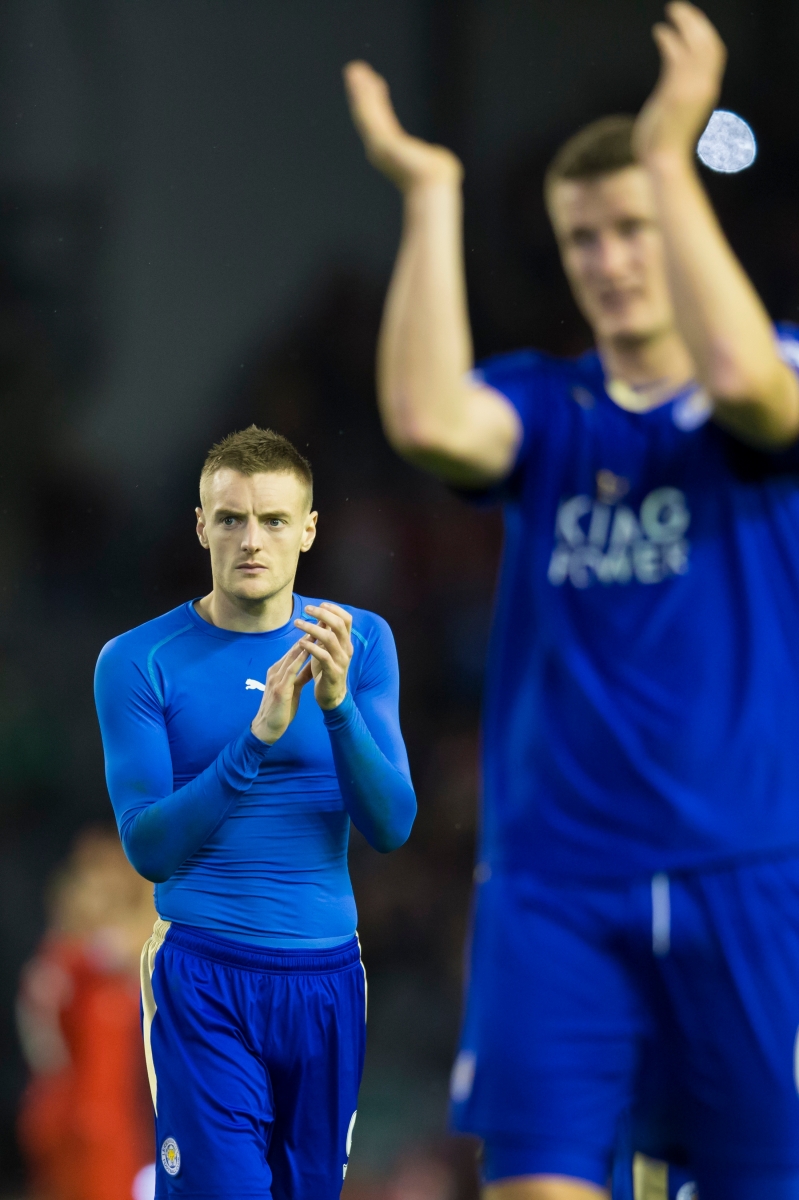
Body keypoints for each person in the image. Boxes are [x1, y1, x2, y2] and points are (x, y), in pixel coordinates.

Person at [344, 3, 799, 1198]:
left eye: (632, 230)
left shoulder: (779, 365)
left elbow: (745, 378)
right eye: (581, 238)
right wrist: (432, 198)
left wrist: (667, 153)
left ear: (687, 225)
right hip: (552, 884)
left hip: (746, 871)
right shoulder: (546, 409)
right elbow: (429, 418)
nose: (607, 259)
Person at [94, 426, 417, 1199]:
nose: (251, 539)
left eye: (273, 520)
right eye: (230, 518)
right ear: (200, 525)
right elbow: (148, 848)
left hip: (327, 976)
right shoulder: (138, 660)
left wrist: (336, 707)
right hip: (204, 973)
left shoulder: (358, 643)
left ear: (307, 531)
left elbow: (392, 825)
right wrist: (256, 738)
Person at [17, 828, 156, 1200]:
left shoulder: (106, 960)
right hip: (82, 1116)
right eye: (95, 885)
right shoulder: (74, 959)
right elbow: (142, 936)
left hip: (115, 1118)